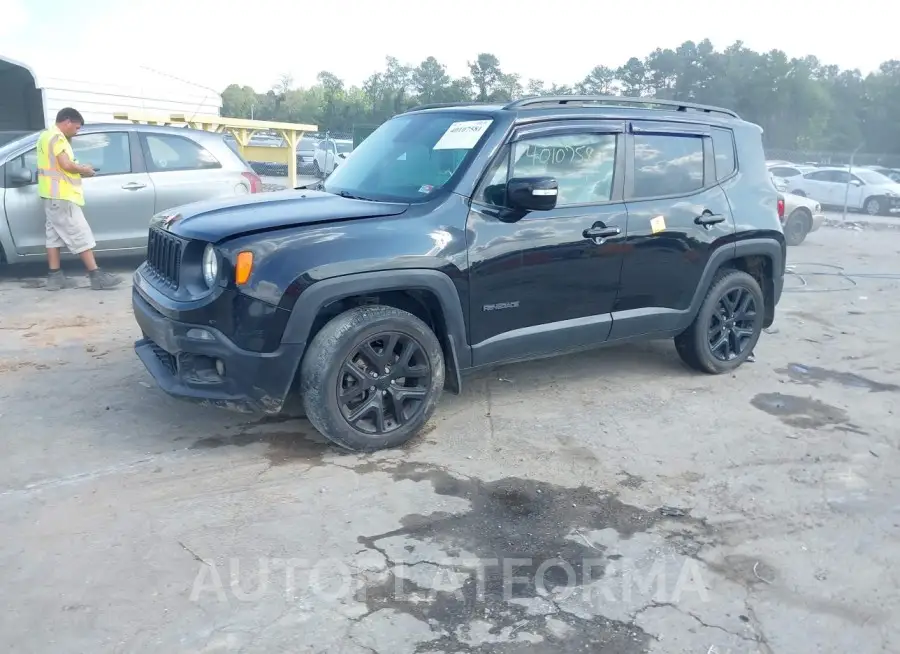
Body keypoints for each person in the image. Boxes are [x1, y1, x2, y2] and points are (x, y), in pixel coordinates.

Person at [37, 107, 121, 291]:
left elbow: (58, 167)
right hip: (61, 195)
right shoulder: (57, 137)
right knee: (79, 233)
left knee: (53, 236)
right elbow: (65, 164)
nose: (77, 132)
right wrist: (85, 169)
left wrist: (78, 168)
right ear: (67, 122)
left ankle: (54, 276)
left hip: (50, 194)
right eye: (76, 128)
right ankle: (96, 275)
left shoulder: (46, 135)